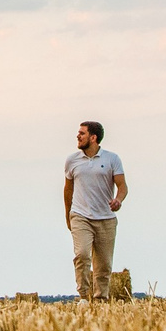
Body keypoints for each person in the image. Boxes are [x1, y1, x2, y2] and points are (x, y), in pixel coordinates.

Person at [63, 121, 127, 299]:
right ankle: (83, 296)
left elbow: (122, 186)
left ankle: (100, 299)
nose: (78, 136)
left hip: (106, 218)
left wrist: (118, 200)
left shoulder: (112, 159)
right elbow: (68, 190)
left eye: (82, 133)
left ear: (93, 138)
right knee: (82, 254)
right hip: (80, 215)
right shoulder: (72, 160)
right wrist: (68, 215)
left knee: (104, 265)